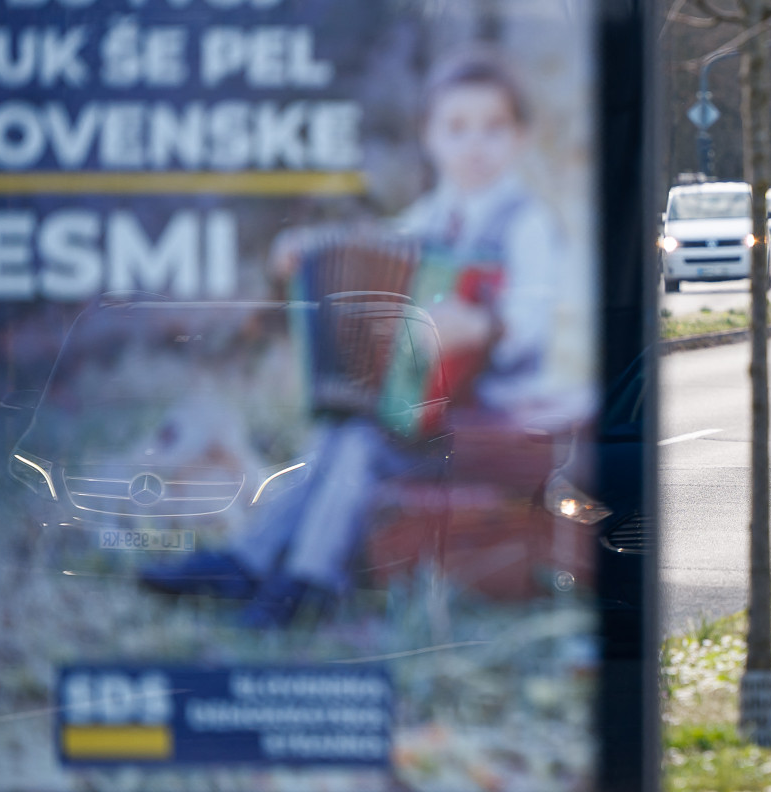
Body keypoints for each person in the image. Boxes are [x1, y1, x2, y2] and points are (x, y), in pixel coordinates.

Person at [144, 51, 571, 625]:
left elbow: (531, 323)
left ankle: (309, 581)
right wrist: (307, 248)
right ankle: (248, 563)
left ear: (519, 138)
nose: (475, 145)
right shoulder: (437, 214)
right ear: (430, 137)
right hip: (434, 407)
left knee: (360, 443)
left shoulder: (525, 223)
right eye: (457, 128)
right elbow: (376, 248)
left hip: (496, 413)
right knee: (340, 429)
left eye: (494, 129)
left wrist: (485, 326)